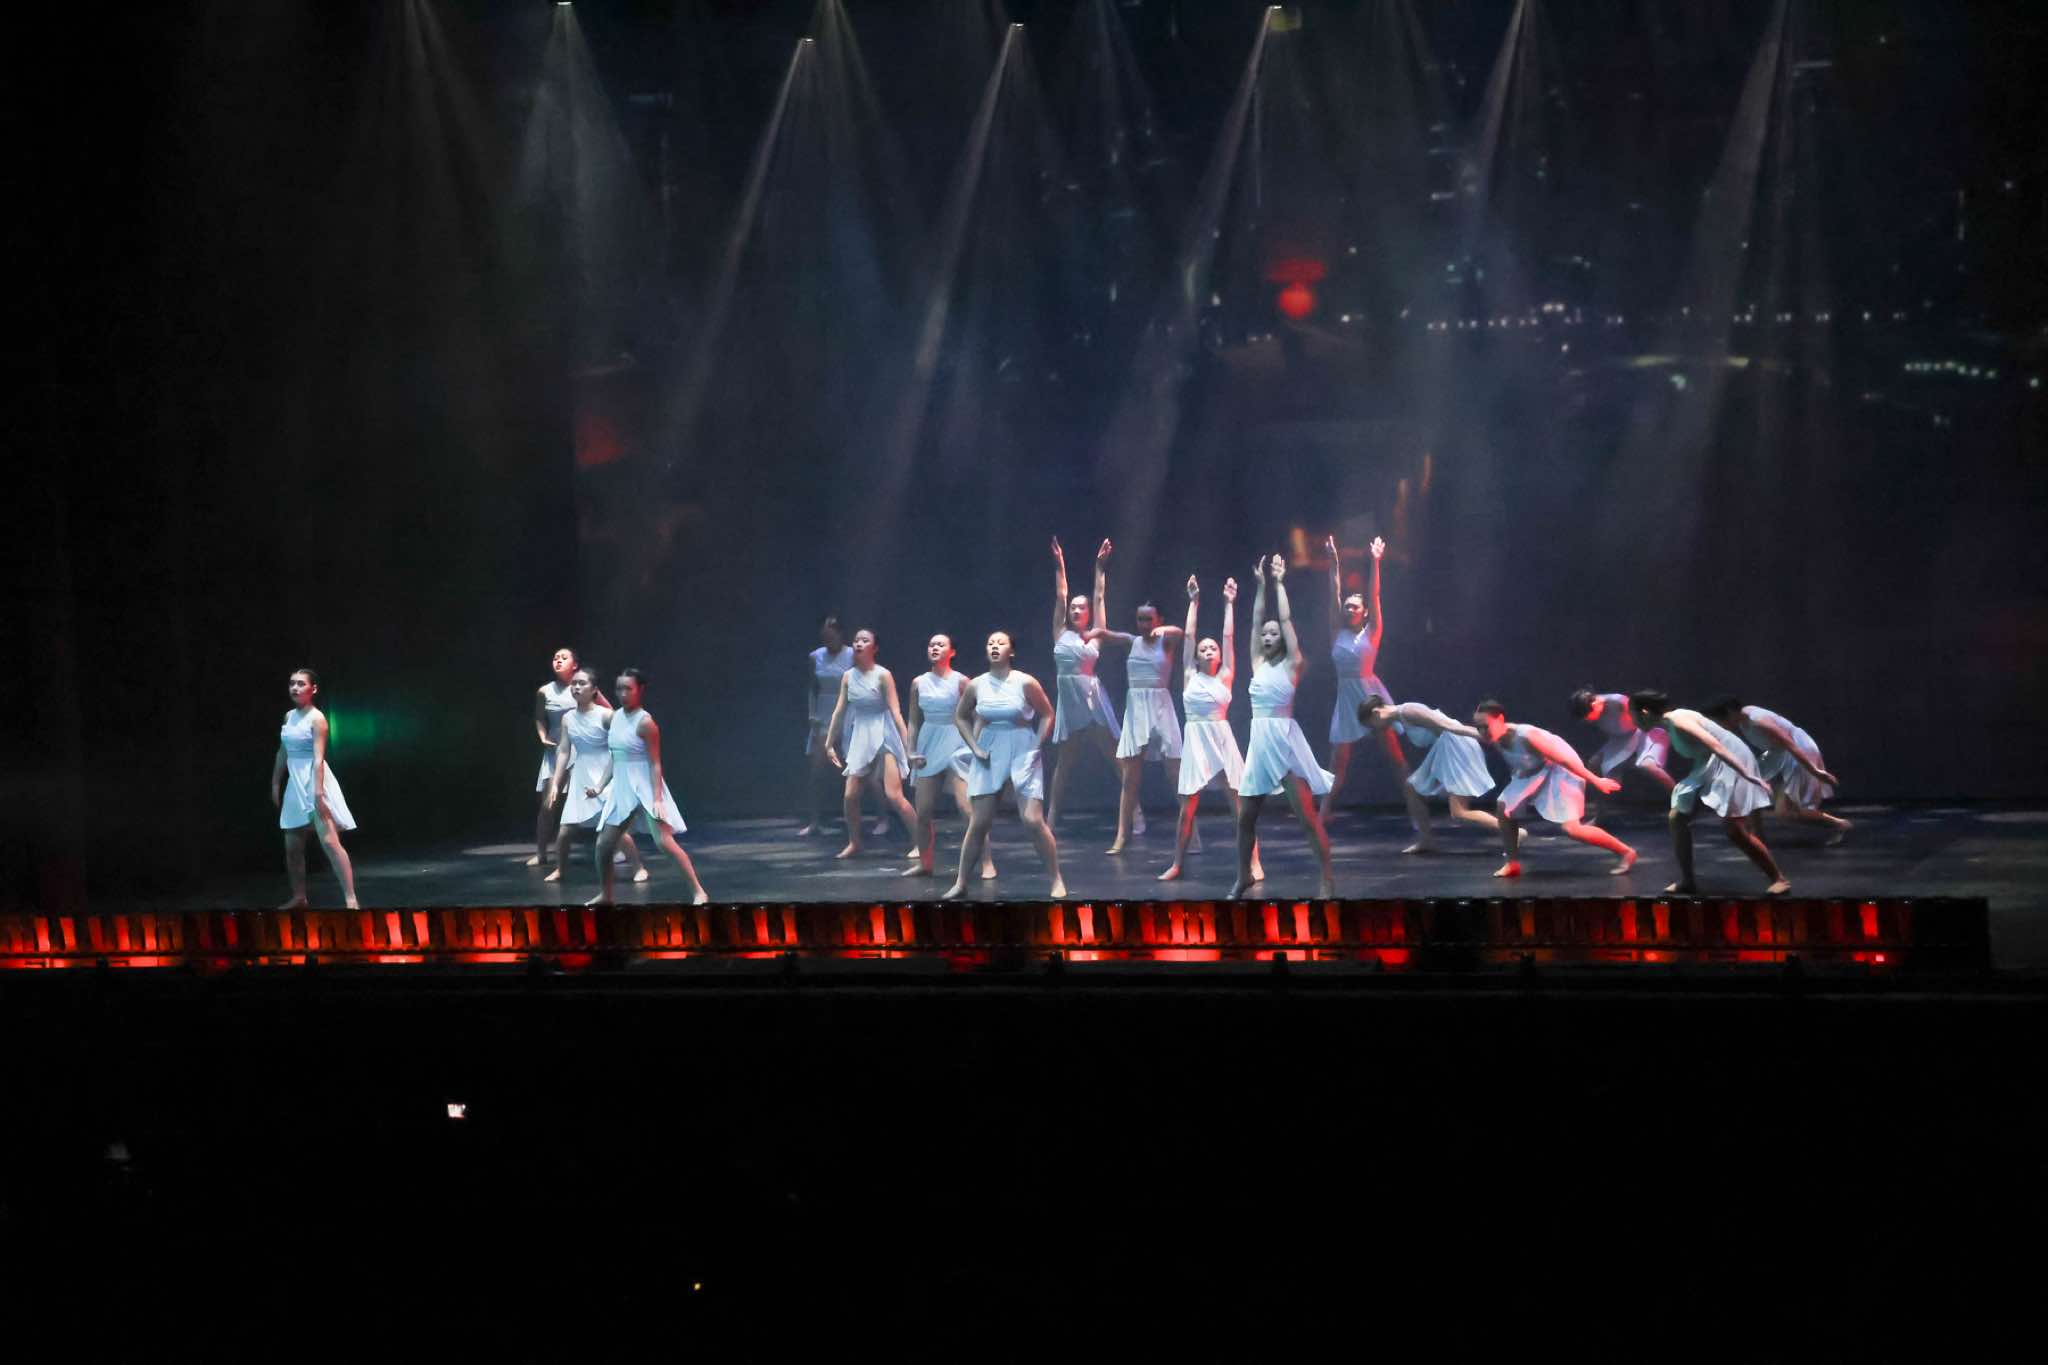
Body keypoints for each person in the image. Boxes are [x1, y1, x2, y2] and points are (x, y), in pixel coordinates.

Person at [1232, 555, 1336, 900]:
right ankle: (1243, 876)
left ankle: (1327, 878)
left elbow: (1286, 620)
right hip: (1260, 743)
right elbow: (1254, 622)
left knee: (1306, 816)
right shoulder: (1257, 662)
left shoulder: (1293, 664)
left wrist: (1278, 583)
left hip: (1285, 741)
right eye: (1265, 634)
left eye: (1273, 633)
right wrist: (1261, 587)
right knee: (1245, 818)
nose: (1267, 636)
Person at [944, 631, 1065, 900]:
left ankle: (1056, 878)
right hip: (989, 748)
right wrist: (975, 747)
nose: (995, 647)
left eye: (1001, 643)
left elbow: (1047, 714)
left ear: (1012, 651)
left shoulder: (1025, 682)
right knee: (979, 822)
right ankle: (961, 882)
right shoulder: (977, 685)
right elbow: (960, 717)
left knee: (1032, 819)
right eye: (990, 643)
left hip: (1022, 747)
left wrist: (1036, 745)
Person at [1628, 690, 1787, 895]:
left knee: (1735, 830)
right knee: (1677, 818)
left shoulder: (1678, 720)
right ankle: (1687, 881)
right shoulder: (1669, 724)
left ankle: (1779, 879)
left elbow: (1715, 745)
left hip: (1730, 758)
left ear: (1644, 712)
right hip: (1710, 764)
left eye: (1632, 714)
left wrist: (1748, 774)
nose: (1631, 719)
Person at [1319, 536, 1424, 836]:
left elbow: (1374, 595)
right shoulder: (1336, 633)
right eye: (1347, 606)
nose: (1349, 609)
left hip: (1372, 698)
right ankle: (1322, 816)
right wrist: (1334, 563)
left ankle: (1417, 815)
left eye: (1355, 606)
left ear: (1364, 612)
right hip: (1346, 699)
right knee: (1337, 764)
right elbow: (1333, 593)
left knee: (1396, 759)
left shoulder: (1372, 632)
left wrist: (1375, 561)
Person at [1160, 576, 1260, 884]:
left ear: (1218, 655)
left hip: (1221, 738)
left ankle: (1254, 861)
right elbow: (1189, 636)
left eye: (1212, 648)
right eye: (1203, 648)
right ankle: (1177, 863)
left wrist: (1229, 603)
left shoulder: (1225, 675)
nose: (1207, 650)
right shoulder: (1189, 675)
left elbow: (1228, 637)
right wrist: (1194, 602)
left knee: (1239, 804)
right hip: (1196, 741)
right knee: (1187, 807)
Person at [587, 668, 708, 906]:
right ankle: (606, 895)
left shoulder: (646, 723)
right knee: (603, 844)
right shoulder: (615, 718)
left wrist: (657, 798)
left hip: (645, 785)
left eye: (628, 689)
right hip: (622, 787)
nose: (623, 694)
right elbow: (615, 757)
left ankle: (698, 891)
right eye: (619, 689)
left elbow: (655, 763)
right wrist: (600, 786)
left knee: (664, 842)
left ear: (640, 690)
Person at [1472, 701, 1635, 877]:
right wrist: (1445, 721)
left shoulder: (1528, 736)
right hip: (1533, 772)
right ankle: (1512, 863)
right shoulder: (1491, 735)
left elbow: (1564, 760)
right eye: (1478, 727)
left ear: (1500, 719)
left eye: (1485, 726)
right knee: (1504, 807)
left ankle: (1626, 852)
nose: (1482, 732)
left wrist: (1596, 780)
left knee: (1572, 830)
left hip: (1561, 771)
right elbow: (1457, 728)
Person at [1095, 588, 1184, 855]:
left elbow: (1180, 632)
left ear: (1158, 619)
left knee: (1175, 773)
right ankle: (1122, 835)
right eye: (1140, 619)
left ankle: (1192, 835)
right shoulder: (1131, 641)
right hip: (1137, 708)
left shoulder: (1166, 642)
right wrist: (1090, 633)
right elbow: (1106, 634)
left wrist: (1163, 629)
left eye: (1149, 619)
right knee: (1130, 777)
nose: (1144, 624)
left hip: (1160, 706)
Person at [541, 666, 647, 885]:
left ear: (594, 690)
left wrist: (607, 782)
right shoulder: (568, 718)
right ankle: (560, 869)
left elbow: (619, 748)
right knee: (565, 831)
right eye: (574, 684)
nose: (576, 687)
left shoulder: (606, 716)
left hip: (605, 774)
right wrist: (555, 784)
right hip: (581, 776)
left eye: (582, 683)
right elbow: (564, 751)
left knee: (615, 829)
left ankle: (639, 867)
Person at [903, 634, 996, 880]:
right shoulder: (918, 683)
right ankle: (925, 863)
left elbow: (977, 716)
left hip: (956, 743)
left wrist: (975, 745)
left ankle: (987, 861)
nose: (934, 648)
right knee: (923, 811)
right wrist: (910, 750)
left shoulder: (961, 681)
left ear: (951, 652)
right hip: (929, 742)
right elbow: (913, 720)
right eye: (931, 644)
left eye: (940, 645)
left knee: (967, 808)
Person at [821, 629, 920, 860]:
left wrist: (908, 747)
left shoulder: (883, 675)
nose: (858, 644)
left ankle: (920, 842)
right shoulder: (848, 676)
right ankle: (855, 842)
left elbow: (896, 713)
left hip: (884, 731)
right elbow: (839, 711)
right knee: (850, 796)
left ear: (874, 648)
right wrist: (829, 744)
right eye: (856, 640)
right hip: (861, 734)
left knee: (893, 795)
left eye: (865, 641)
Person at [1045, 537, 1122, 829]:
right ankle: (1051, 817)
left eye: (1081, 608)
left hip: (1092, 698)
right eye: (1073, 608)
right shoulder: (1060, 632)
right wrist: (1059, 562)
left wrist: (1100, 567)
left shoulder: (1095, 636)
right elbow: (1061, 594)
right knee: (1064, 763)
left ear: (1088, 613)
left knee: (1113, 756)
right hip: (1069, 702)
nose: (1076, 611)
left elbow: (1099, 596)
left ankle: (1134, 811)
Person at [1358, 697, 1500, 852]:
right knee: (1412, 788)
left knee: (1459, 812)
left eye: (1372, 725)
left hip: (1457, 747)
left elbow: (1448, 725)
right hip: (1446, 749)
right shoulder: (1400, 717)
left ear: (1376, 713)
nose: (1375, 730)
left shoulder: (1409, 711)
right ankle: (1426, 841)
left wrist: (1481, 735)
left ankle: (1513, 832)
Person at [1702, 697, 1849, 842]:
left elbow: (1789, 742)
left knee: (1787, 813)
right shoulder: (1743, 718)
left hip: (1797, 751)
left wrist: (1815, 771)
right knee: (1747, 782)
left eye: (1718, 721)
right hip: (1779, 752)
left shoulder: (1757, 720)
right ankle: (1757, 835)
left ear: (1729, 712)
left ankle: (1840, 824)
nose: (1719, 726)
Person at [271, 668, 359, 909]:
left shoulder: (317, 719)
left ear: (313, 689)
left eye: (301, 683)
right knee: (292, 846)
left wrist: (318, 792)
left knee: (330, 842)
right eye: (292, 683)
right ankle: (299, 896)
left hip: (315, 780)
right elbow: (283, 751)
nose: (295, 687)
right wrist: (276, 782)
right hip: (295, 783)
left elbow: (318, 758)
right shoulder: (289, 716)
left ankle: (351, 897)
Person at [1568, 687, 1675, 820]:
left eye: (1588, 716)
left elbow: (1645, 715)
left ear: (1595, 703)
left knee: (1648, 766)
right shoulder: (1593, 711)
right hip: (1622, 740)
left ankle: (1682, 805)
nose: (1589, 720)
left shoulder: (1618, 701)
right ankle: (1601, 815)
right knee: (1594, 765)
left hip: (1643, 732)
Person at [530, 647, 586, 866]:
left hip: (581, 749)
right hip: (556, 750)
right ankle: (541, 853)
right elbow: (539, 717)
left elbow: (605, 711)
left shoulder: (583, 686)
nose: (558, 661)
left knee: (598, 800)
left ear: (575, 665)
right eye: (555, 658)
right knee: (548, 805)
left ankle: (617, 848)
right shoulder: (544, 691)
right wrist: (542, 736)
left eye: (564, 658)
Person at [799, 615, 854, 837]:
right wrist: (812, 713)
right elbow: (812, 688)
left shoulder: (852, 654)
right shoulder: (816, 656)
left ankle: (858, 819)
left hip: (847, 711)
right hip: (823, 712)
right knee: (817, 770)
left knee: (853, 769)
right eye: (825, 636)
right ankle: (815, 821)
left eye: (832, 636)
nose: (828, 640)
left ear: (840, 634)